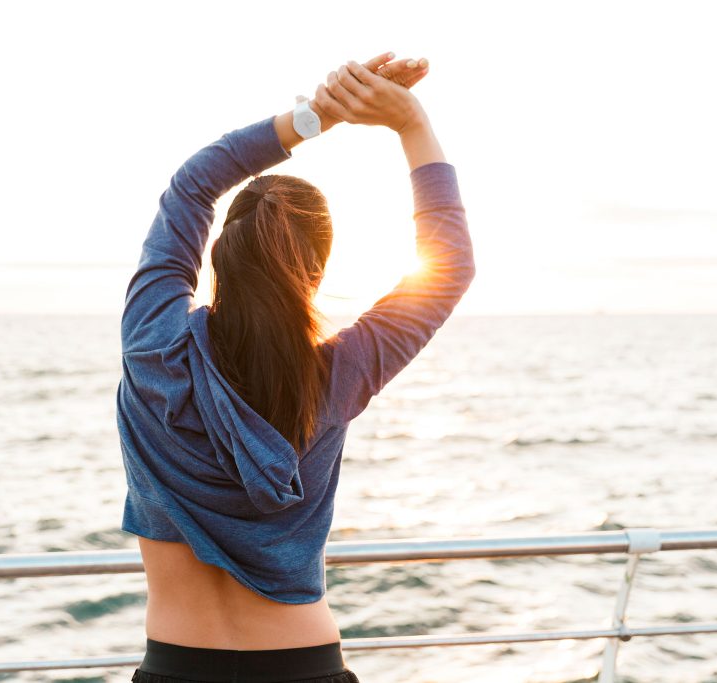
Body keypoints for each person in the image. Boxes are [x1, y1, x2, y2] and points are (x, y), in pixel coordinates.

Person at [117, 50, 476, 683]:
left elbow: (192, 185)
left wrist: (314, 117)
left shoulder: (152, 343)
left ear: (219, 254)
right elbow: (448, 268)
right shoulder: (339, 374)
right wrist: (410, 123)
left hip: (175, 663)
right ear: (314, 272)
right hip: (305, 664)